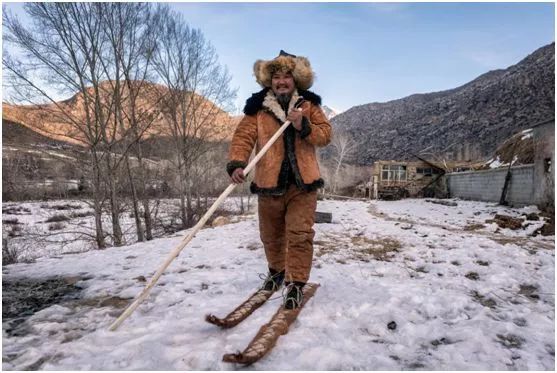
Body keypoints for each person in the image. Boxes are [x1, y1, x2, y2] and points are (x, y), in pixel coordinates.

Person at [226, 50, 332, 309]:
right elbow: (243, 137)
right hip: (268, 185)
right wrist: (237, 164)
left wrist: (302, 125)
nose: (281, 82)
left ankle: (295, 283)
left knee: (300, 235)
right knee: (271, 236)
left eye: (287, 76)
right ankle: (276, 273)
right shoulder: (257, 109)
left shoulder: (309, 105)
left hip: (302, 185)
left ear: (295, 80)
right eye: (276, 77)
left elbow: (325, 135)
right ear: (269, 81)